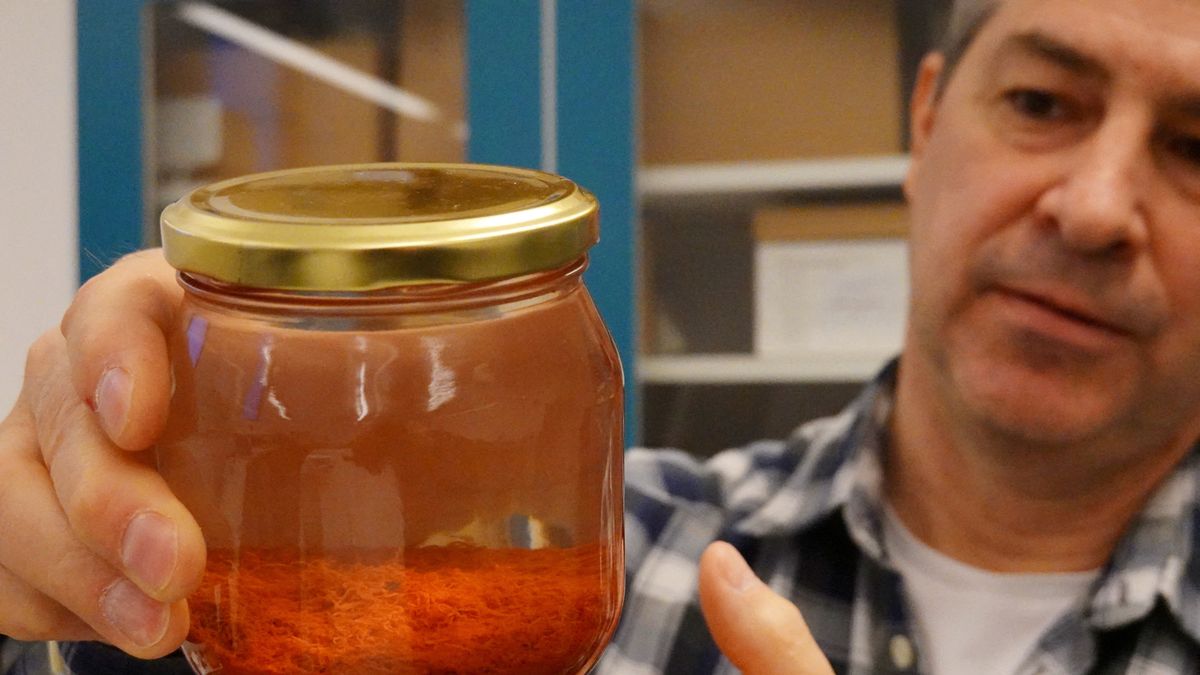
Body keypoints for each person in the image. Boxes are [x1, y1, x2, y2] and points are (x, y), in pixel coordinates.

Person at [5, 0, 1200, 672]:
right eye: (1042, 103)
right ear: (928, 119)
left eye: (1194, 148)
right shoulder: (549, 577)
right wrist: (51, 567)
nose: (1094, 209)